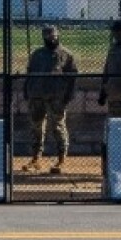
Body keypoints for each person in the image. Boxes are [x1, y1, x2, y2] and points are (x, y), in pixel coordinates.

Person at [22, 24, 78, 174]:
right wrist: (27, 90)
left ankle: (61, 159)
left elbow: (72, 78)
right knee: (36, 127)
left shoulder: (66, 55)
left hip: (56, 98)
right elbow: (29, 73)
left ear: (58, 36)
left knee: (58, 127)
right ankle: (36, 158)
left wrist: (68, 95)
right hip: (37, 96)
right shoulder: (37, 54)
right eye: (47, 36)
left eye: (53, 36)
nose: (51, 39)